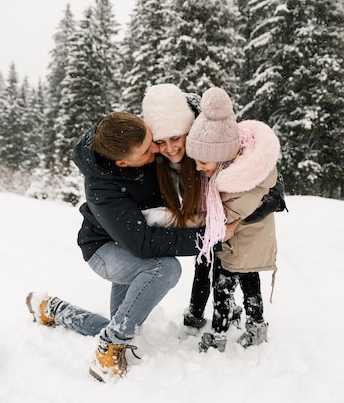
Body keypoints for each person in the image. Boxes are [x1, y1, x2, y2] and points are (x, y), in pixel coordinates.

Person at [26, 112, 236, 382]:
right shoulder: (101, 187)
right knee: (165, 269)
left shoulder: (131, 132)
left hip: (133, 246)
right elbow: (144, 244)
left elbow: (198, 115)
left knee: (120, 322)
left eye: (154, 140)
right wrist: (210, 237)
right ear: (123, 163)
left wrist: (268, 181)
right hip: (106, 249)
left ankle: (52, 308)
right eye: (149, 150)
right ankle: (109, 350)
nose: (159, 149)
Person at [141, 83, 286, 337]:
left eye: (176, 138)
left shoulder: (212, 141)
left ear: (189, 129)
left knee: (231, 267)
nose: (171, 147)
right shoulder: (158, 162)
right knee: (204, 261)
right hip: (204, 218)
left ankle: (228, 318)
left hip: (230, 220)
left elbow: (264, 181)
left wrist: (237, 221)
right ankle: (197, 313)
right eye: (160, 141)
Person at [185, 87, 280, 352]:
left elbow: (228, 218)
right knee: (250, 281)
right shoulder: (233, 170)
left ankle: (217, 335)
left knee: (223, 286)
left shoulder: (242, 181)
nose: (198, 167)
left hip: (241, 240)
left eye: (203, 161)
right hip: (248, 241)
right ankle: (257, 325)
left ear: (222, 157)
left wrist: (213, 224)